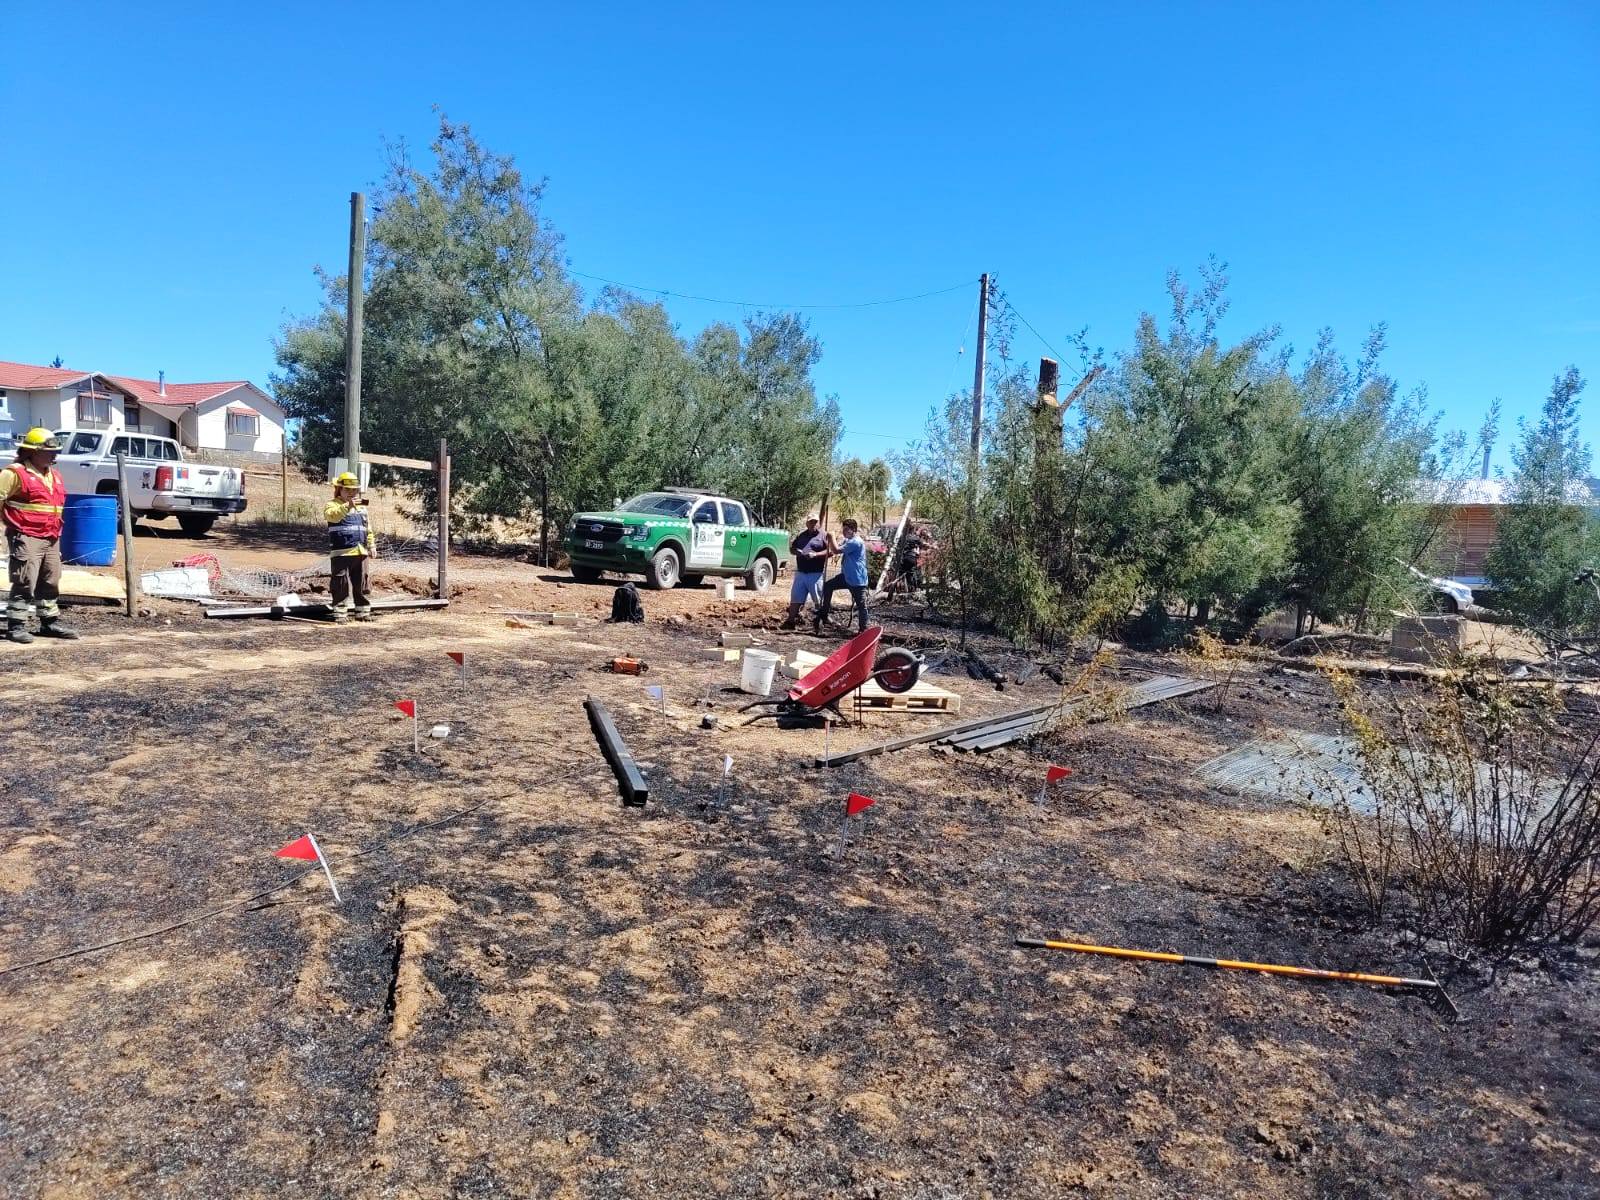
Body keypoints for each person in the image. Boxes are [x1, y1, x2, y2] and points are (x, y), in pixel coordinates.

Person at [2, 428, 78, 644]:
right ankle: (16, 626)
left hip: (51, 536)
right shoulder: (14, 474)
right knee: (25, 579)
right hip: (26, 535)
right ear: (32, 451)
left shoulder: (55, 476)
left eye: (56, 452)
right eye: (49, 452)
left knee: (50, 579)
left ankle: (49, 623)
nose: (55, 456)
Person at [325, 471, 376, 623]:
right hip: (341, 553)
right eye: (347, 489)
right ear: (339, 489)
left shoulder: (362, 508)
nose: (351, 493)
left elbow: (367, 528)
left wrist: (371, 545)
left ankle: (362, 612)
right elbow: (332, 516)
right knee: (341, 583)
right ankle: (340, 613)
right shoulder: (332, 505)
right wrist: (347, 506)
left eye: (354, 490)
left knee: (362, 582)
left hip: (360, 552)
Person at [817, 517, 870, 634]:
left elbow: (836, 550)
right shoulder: (847, 540)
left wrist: (831, 537)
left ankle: (863, 630)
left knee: (861, 605)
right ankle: (824, 614)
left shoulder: (856, 542)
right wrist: (824, 548)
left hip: (857, 579)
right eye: (843, 529)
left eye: (846, 529)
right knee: (828, 586)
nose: (844, 532)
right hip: (846, 577)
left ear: (853, 530)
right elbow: (834, 549)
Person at [780, 513, 830, 629]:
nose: (813, 524)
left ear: (818, 523)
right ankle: (790, 621)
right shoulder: (801, 535)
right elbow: (792, 549)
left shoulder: (824, 535)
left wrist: (816, 554)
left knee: (818, 599)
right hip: (801, 572)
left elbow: (830, 551)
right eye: (811, 522)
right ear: (807, 523)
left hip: (816, 574)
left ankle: (821, 622)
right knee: (795, 597)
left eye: (815, 522)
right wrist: (797, 552)